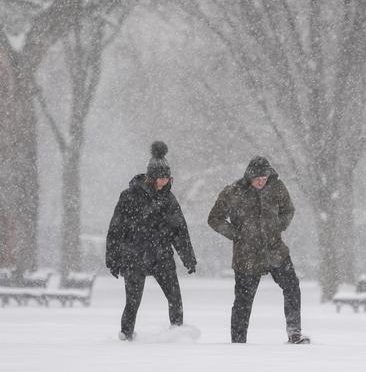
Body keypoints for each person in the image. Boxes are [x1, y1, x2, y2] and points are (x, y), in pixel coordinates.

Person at [208, 156, 309, 344]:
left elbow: (288, 210)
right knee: (243, 301)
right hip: (246, 255)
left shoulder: (277, 187)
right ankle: (238, 342)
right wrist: (236, 234)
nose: (262, 180)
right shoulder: (233, 192)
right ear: (249, 176)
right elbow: (214, 218)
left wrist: (279, 225)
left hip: (275, 250)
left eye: (265, 176)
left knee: (292, 287)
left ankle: (294, 332)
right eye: (258, 178)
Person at [105, 141, 197, 341]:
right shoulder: (129, 196)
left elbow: (179, 231)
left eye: (167, 178)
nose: (164, 182)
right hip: (134, 257)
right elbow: (116, 229)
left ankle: (178, 333)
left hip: (161, 256)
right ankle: (126, 335)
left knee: (175, 298)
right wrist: (112, 258)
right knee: (133, 301)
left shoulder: (169, 200)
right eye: (161, 178)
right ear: (151, 177)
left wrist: (188, 257)